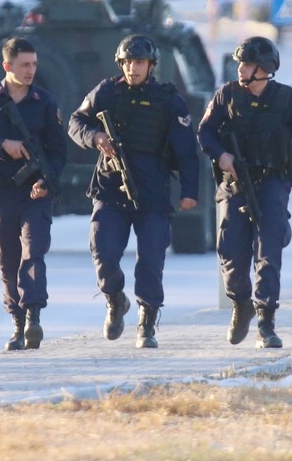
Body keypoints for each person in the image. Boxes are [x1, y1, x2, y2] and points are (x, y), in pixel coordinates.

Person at [198, 36, 292, 349]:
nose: (241, 69)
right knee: (231, 250)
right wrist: (221, 155)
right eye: (240, 63)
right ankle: (241, 304)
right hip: (235, 183)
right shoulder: (227, 96)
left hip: (273, 182)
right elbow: (205, 132)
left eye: (247, 64)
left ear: (264, 69)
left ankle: (266, 320)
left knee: (268, 252)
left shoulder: (285, 99)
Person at [67, 35, 199, 350]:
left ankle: (148, 320)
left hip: (152, 191)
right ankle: (115, 299)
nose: (132, 68)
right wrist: (95, 136)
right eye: (127, 62)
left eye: (139, 62)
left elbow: (186, 151)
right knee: (104, 250)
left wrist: (190, 191)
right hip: (111, 187)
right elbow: (75, 122)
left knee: (151, 258)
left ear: (150, 65)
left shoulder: (168, 100)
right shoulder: (106, 92)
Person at [0, 37, 67, 351]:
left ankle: (34, 317)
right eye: (24, 65)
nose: (31, 70)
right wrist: (1, 145)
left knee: (33, 250)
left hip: (35, 190)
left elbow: (59, 152)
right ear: (7, 66)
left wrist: (46, 182)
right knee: (6, 259)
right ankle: (17, 323)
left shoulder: (45, 103)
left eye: (33, 64)